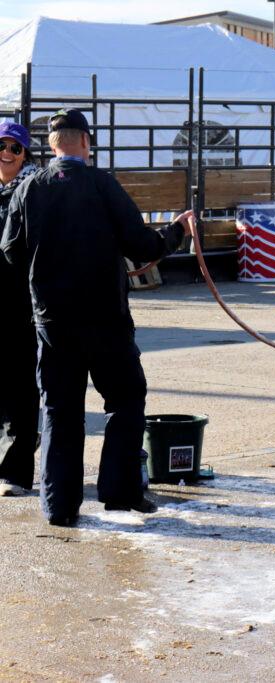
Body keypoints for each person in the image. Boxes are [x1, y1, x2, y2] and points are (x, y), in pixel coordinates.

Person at [1, 109, 194, 526]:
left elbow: (11, 251)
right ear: (86, 143)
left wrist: (41, 278)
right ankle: (121, 493)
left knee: (58, 410)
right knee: (125, 400)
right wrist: (176, 232)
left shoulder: (29, 188)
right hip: (105, 321)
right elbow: (143, 245)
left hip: (53, 324)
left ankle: (58, 507)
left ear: (52, 146)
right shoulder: (103, 185)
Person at [0, 122, 39, 497]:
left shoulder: (32, 191)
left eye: (16, 147)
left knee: (23, 387)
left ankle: (17, 470)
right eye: (2, 145)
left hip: (22, 304)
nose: (7, 153)